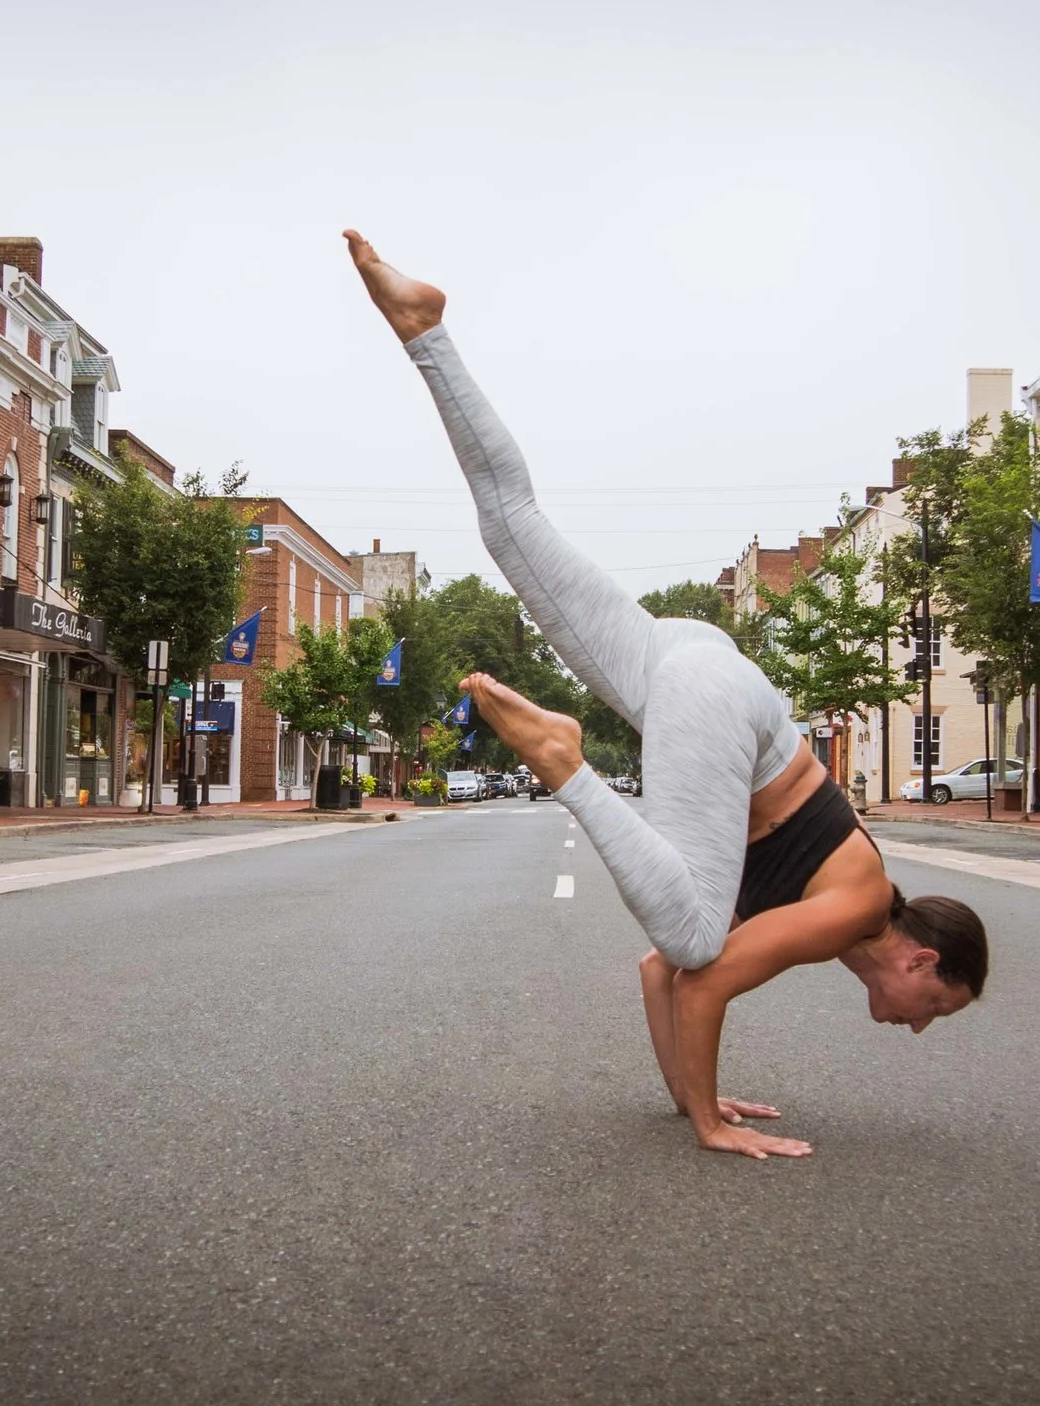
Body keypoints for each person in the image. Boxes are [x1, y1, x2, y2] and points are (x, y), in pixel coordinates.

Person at [346, 231, 988, 1160]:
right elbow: (704, 979)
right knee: (696, 936)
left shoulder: (829, 905)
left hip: (689, 669)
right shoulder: (854, 907)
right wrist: (710, 1122)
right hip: (717, 708)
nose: (920, 1025)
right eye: (937, 1007)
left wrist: (697, 1090)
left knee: (513, 531)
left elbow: (660, 978)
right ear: (920, 961)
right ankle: (566, 762)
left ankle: (425, 332)